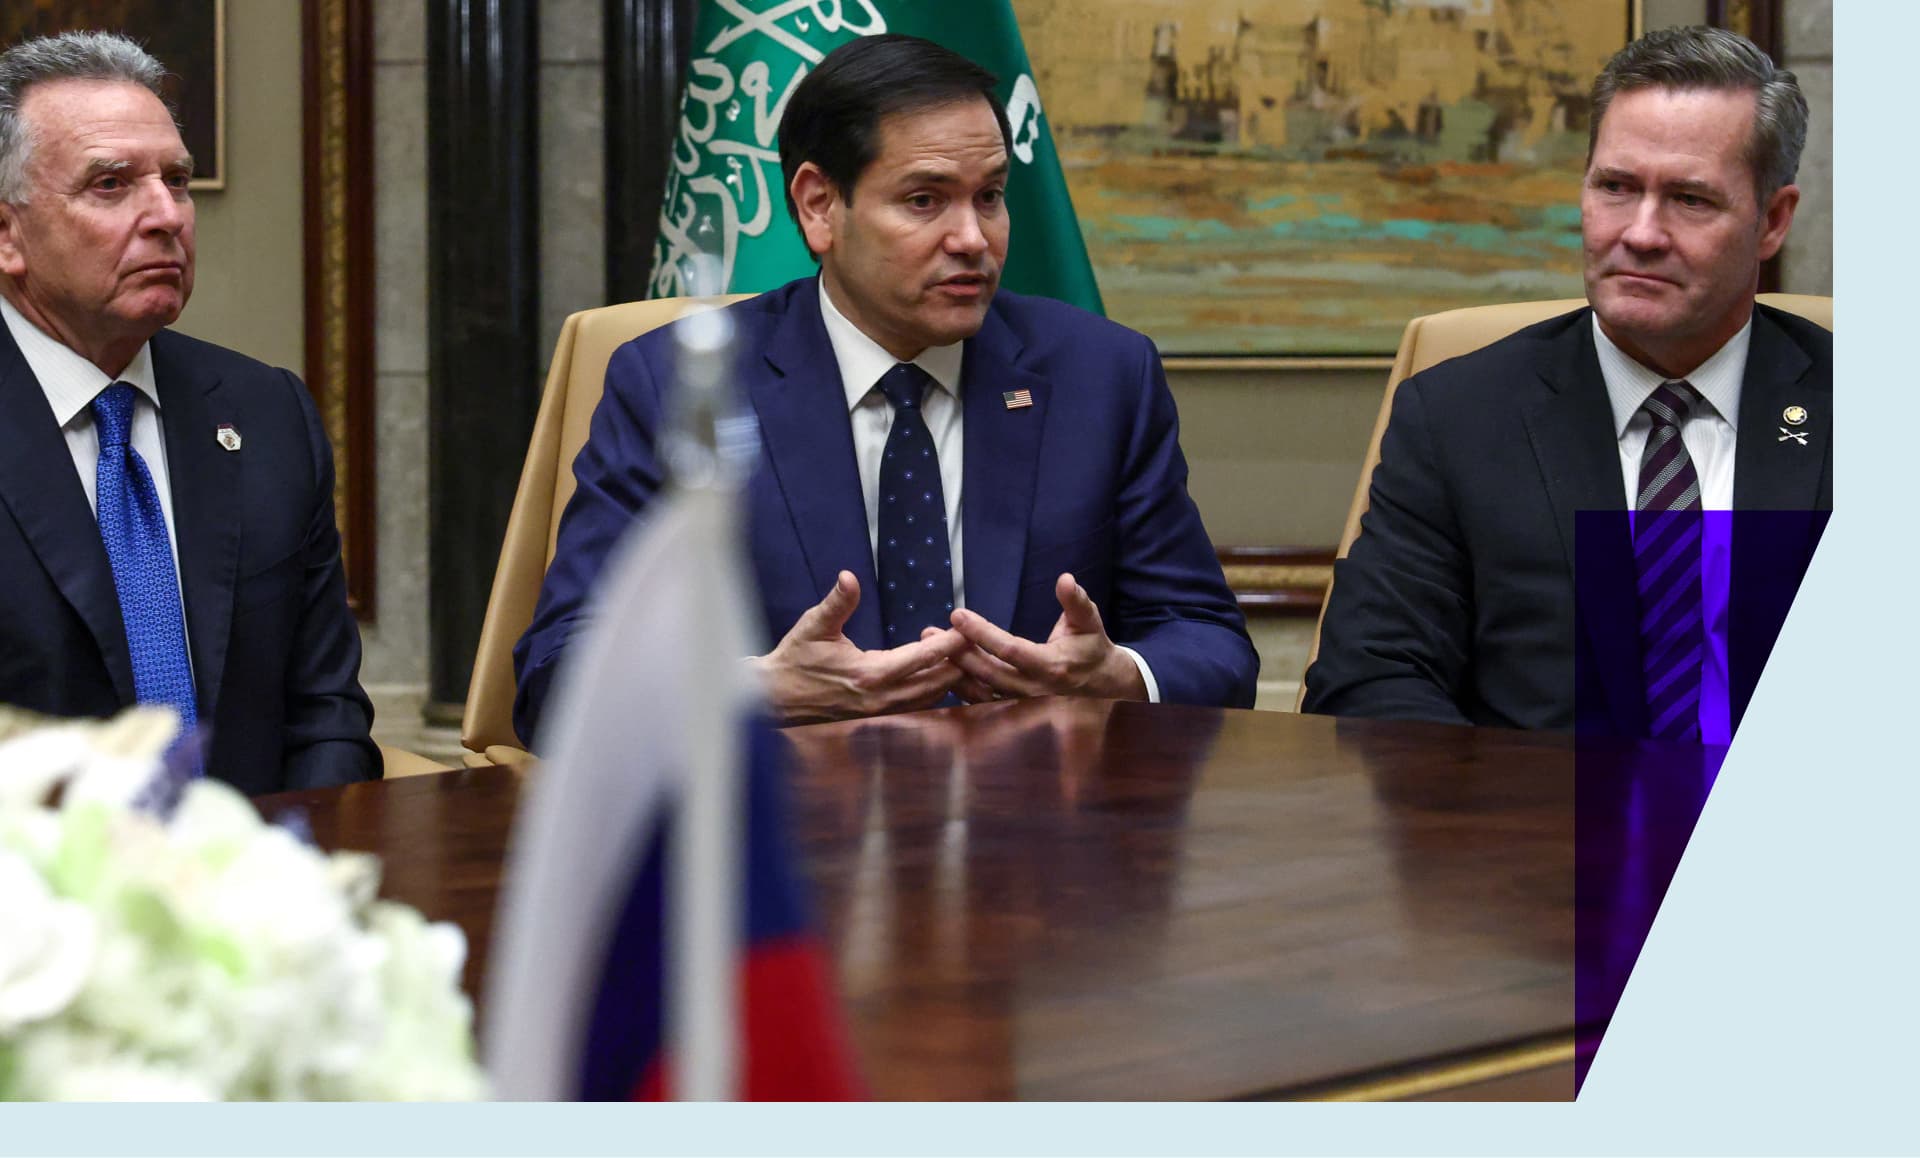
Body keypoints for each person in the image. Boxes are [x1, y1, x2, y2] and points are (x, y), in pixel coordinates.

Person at [515, 34, 1257, 742]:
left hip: (1038, 839)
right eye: (925, 200)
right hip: (787, 843)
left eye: (991, 196)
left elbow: (1210, 643)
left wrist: (1118, 675)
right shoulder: (679, 383)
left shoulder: (1101, 375)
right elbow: (558, 675)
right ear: (818, 207)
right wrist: (760, 688)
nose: (973, 238)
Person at [1303, 26, 1829, 741]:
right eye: (1615, 187)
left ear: (1773, 220)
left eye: (1689, 200)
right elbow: (1368, 680)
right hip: (1533, 838)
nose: (1640, 232)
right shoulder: (1460, 417)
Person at [0, 31, 378, 792]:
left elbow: (326, 715)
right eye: (111, 184)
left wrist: (287, 883)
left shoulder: (268, 413)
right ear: (8, 233)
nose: (167, 214)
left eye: (177, 180)